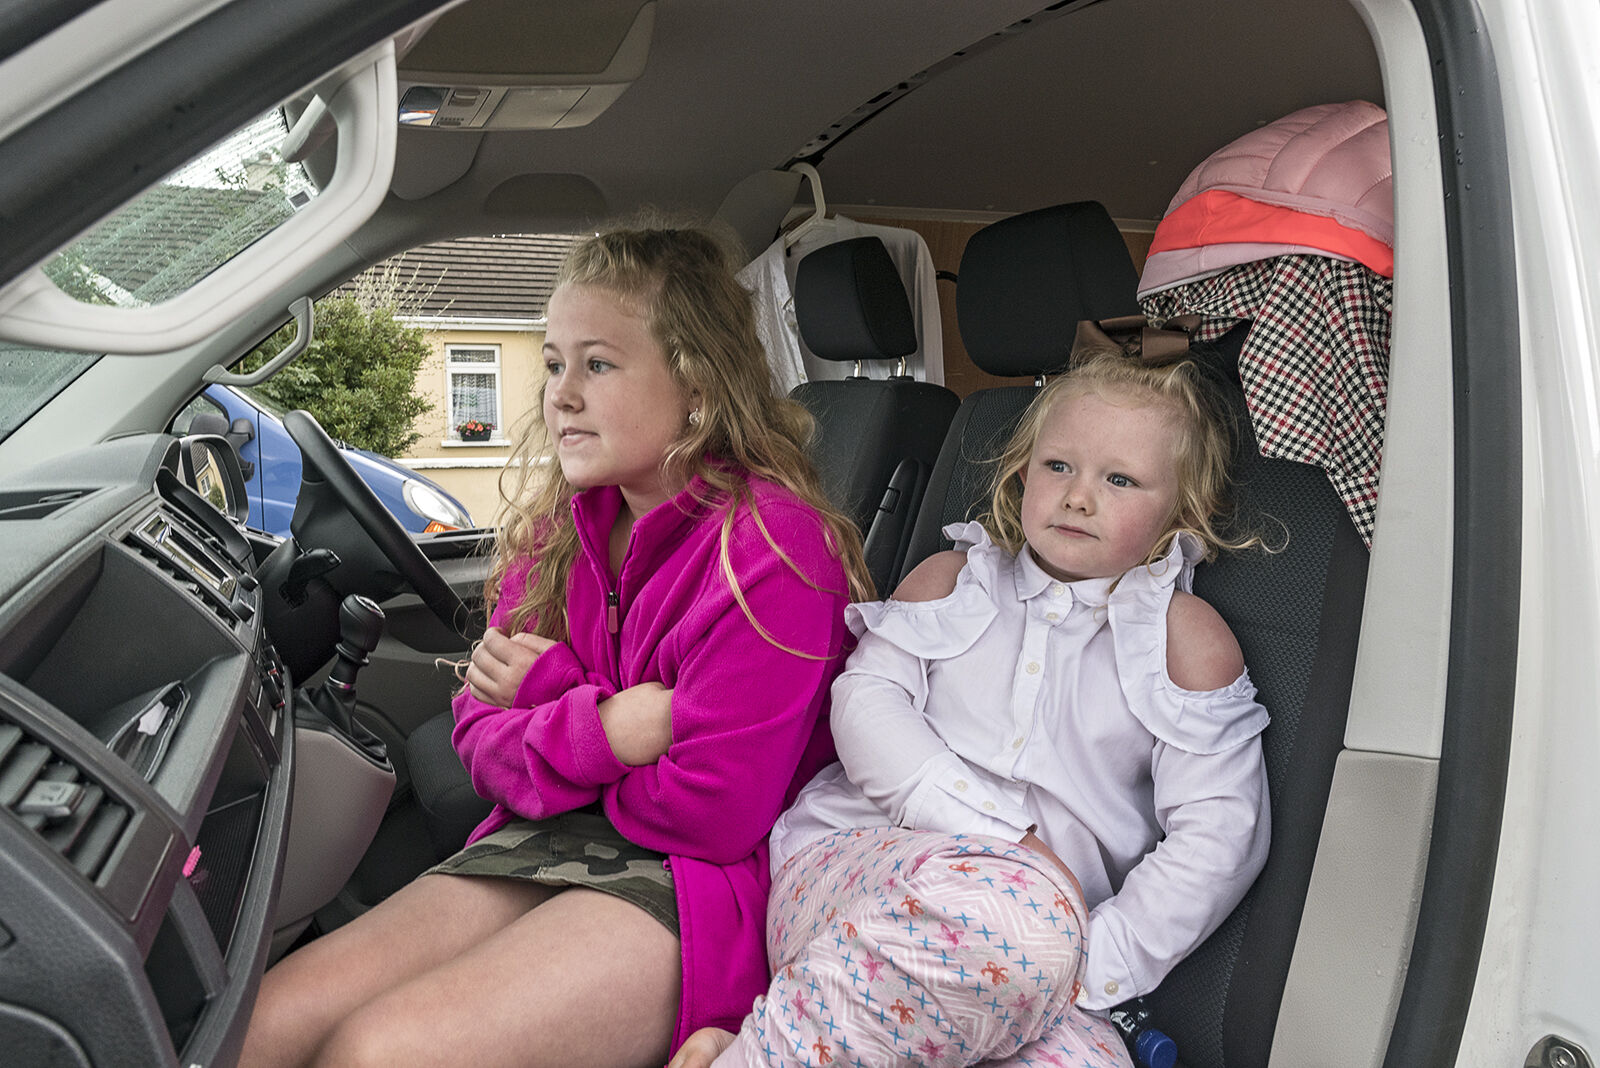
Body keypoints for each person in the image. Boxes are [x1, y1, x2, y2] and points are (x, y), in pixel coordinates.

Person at [239, 224, 871, 1068]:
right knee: (263, 1026)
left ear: (697, 384)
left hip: (696, 887)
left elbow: (712, 814)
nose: (561, 396)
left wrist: (553, 708)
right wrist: (610, 729)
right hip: (544, 839)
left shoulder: (771, 548)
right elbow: (477, 738)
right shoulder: (559, 532)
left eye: (598, 365)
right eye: (552, 364)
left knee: (378, 1053)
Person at [670, 346, 1272, 1068]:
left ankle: (743, 1046)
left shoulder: (1185, 642)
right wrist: (1005, 841)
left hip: (1040, 952)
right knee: (1010, 921)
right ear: (1022, 476)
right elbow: (864, 707)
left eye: (1120, 480)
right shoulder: (954, 580)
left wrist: (1095, 959)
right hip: (860, 867)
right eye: (1058, 467)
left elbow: (1219, 836)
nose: (1079, 496)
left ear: (1181, 509)